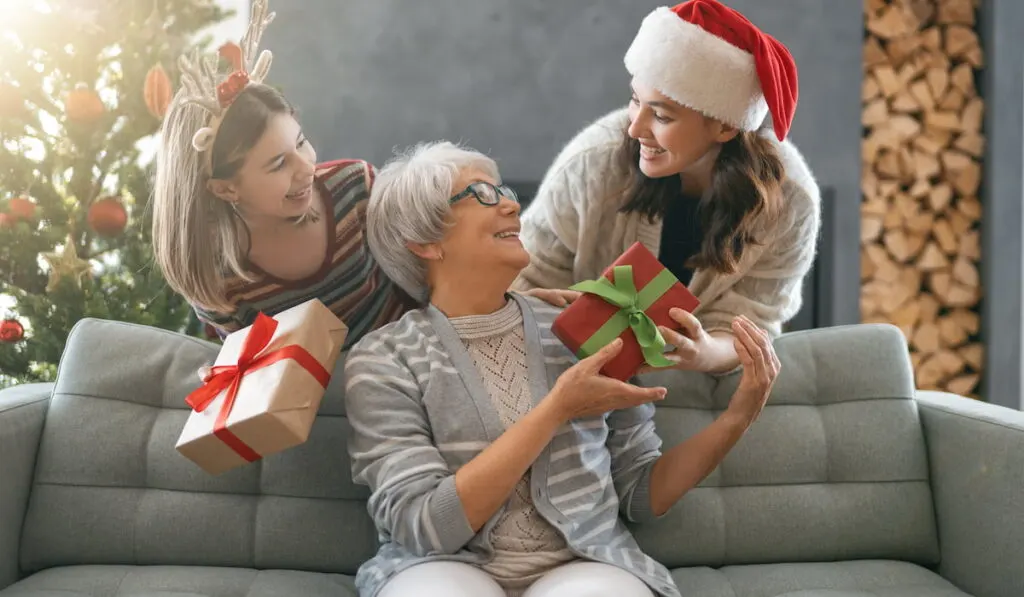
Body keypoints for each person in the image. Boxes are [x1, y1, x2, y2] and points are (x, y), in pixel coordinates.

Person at [344, 140, 780, 597]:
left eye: (506, 191)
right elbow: (427, 527)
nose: (513, 204)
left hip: (582, 563)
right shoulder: (383, 360)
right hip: (438, 566)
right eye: (483, 195)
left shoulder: (583, 331)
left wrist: (737, 417)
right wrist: (557, 408)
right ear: (426, 243)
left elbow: (639, 493)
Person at [150, 0, 564, 349]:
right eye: (277, 165)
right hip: (324, 405)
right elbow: (251, 375)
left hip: (419, 364)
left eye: (301, 142)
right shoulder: (217, 274)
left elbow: (440, 268)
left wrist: (509, 307)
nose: (304, 167)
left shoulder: (354, 188)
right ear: (225, 189)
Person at [515, 0, 820, 375]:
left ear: (725, 126)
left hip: (692, 388)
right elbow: (526, 278)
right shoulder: (591, 164)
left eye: (661, 115)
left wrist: (705, 352)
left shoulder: (791, 202)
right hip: (569, 371)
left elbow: (753, 324)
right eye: (634, 100)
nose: (634, 128)